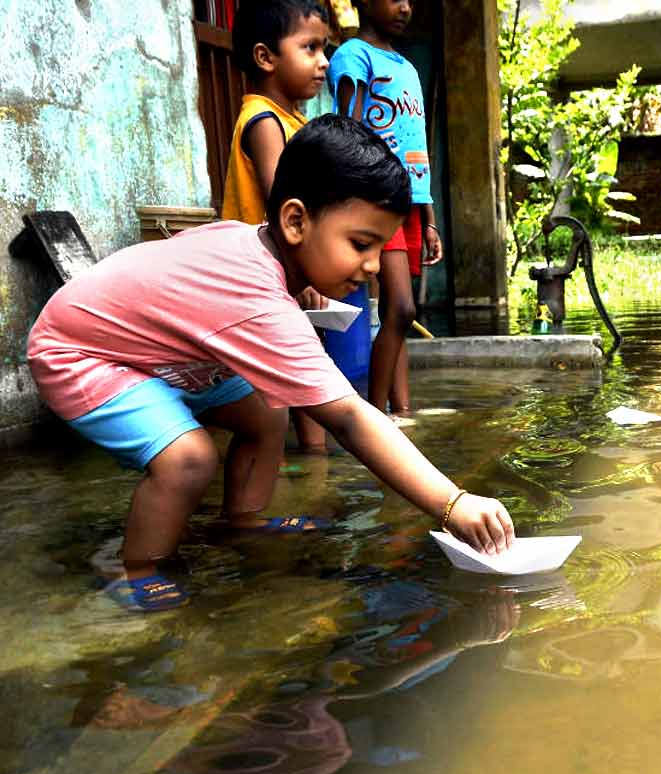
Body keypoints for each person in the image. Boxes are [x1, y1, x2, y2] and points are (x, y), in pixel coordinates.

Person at [27, 116, 514, 612]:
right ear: (296, 221)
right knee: (189, 458)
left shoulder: (260, 252)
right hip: (80, 354)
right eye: (361, 244)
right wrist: (453, 503)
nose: (371, 266)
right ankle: (141, 567)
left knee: (266, 412)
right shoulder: (259, 301)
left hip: (153, 352)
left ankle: (243, 521)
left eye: (378, 247)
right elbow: (348, 417)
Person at [222, 0, 331, 455]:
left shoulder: (293, 119)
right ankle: (315, 458)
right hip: (264, 268)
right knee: (299, 362)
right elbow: (280, 196)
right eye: (309, 47)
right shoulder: (263, 120)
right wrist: (300, 267)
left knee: (305, 360)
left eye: (324, 48)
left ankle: (315, 454)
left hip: (283, 268)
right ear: (266, 57)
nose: (323, 61)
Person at [327, 0, 441, 416]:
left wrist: (429, 220)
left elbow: (418, 148)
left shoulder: (408, 68)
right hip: (376, 198)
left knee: (399, 315)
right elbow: (351, 130)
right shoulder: (352, 57)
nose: (406, 7)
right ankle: (374, 418)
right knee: (402, 308)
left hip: (410, 204)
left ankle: (404, 412)